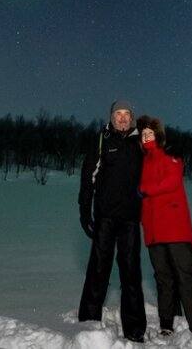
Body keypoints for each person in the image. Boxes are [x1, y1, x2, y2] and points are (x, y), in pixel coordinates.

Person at [136, 115, 192, 342]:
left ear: (158, 135)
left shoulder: (170, 154)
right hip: (153, 230)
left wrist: (144, 189)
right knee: (163, 278)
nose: (146, 137)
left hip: (174, 227)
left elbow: (171, 182)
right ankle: (167, 323)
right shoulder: (143, 161)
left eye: (150, 133)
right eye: (143, 134)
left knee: (186, 276)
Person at [78, 99, 148, 342]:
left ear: (132, 117)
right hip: (105, 217)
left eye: (126, 113)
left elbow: (156, 166)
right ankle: (87, 325)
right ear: (111, 116)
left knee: (131, 274)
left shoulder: (141, 142)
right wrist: (84, 210)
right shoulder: (102, 140)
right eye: (118, 113)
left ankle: (136, 330)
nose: (122, 118)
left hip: (130, 218)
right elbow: (89, 176)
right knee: (98, 270)